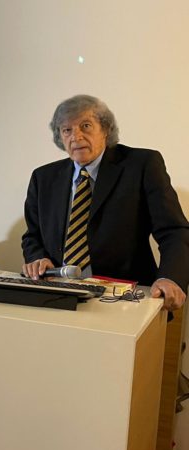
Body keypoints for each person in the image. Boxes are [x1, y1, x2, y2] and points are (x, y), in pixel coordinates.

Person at [22, 94, 189, 311]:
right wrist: (38, 258)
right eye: (67, 130)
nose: (76, 136)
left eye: (86, 126)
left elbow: (174, 231)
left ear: (106, 129)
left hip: (124, 298)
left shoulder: (142, 165)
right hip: (58, 295)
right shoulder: (43, 178)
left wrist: (170, 277)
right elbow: (32, 235)